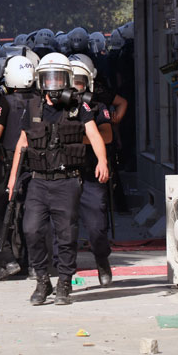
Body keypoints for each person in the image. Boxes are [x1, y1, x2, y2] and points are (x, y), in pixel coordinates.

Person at [6, 53, 109, 306]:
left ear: (67, 79)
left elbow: (95, 135)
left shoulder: (78, 107)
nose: (53, 84)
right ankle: (42, 280)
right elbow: (22, 142)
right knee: (31, 230)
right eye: (48, 78)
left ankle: (64, 282)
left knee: (66, 235)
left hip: (67, 181)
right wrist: (12, 180)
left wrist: (103, 162)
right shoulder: (32, 107)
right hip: (39, 181)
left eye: (58, 78)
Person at [0, 55, 38, 281]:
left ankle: (7, 259)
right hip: (36, 167)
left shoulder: (5, 102)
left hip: (8, 167)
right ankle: (34, 263)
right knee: (31, 214)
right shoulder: (40, 100)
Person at [69, 54, 114, 286]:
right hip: (64, 173)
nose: (75, 86)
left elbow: (106, 135)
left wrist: (77, 138)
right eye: (71, 80)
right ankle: (64, 276)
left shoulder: (97, 106)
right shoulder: (56, 106)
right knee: (63, 229)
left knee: (96, 227)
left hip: (90, 174)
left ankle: (102, 260)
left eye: (79, 81)